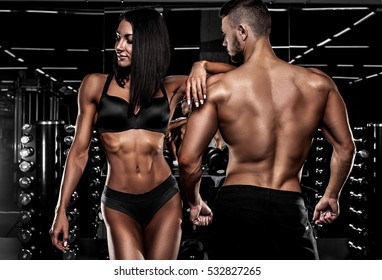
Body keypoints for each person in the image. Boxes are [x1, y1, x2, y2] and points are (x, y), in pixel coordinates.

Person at [49, 7, 234, 260]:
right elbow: (79, 153)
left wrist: (201, 65)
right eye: (117, 37)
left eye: (129, 40)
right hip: (118, 203)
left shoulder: (170, 88)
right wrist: (61, 209)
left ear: (148, 44)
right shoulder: (94, 85)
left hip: (164, 199)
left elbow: (239, 74)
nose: (119, 46)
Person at [178, 0, 356, 260]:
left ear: (242, 32)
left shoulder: (220, 88)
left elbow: (187, 160)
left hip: (237, 205)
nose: (224, 43)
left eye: (225, 34)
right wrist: (331, 194)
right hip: (290, 207)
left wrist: (195, 202)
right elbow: (346, 148)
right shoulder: (318, 84)